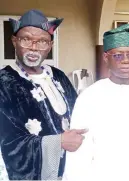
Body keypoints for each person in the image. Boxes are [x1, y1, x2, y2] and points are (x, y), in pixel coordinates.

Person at [62, 24, 129, 181]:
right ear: (106, 58)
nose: (126, 61)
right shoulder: (90, 98)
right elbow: (79, 155)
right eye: (118, 56)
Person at [0, 9, 86, 180]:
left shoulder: (59, 76)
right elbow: (8, 143)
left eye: (42, 42)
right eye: (26, 39)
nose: (34, 47)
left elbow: (79, 114)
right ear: (14, 41)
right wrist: (57, 143)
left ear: (50, 46)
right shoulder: (4, 83)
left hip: (71, 170)